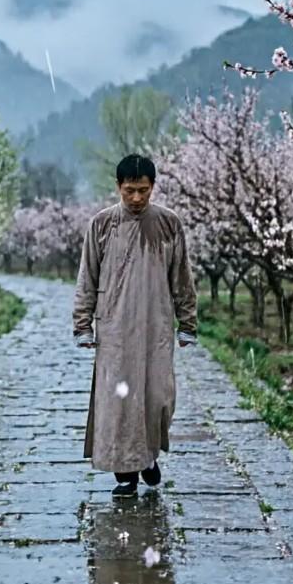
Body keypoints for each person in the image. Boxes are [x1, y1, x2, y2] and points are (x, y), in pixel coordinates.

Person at [72, 154, 198, 496]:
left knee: (158, 398)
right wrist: (82, 325)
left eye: (143, 190)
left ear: (153, 187)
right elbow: (87, 277)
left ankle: (148, 458)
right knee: (119, 402)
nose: (137, 198)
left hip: (156, 327)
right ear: (118, 187)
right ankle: (125, 473)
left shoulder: (169, 224)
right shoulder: (101, 225)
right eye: (130, 190)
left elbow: (182, 277)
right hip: (114, 329)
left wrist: (188, 321)